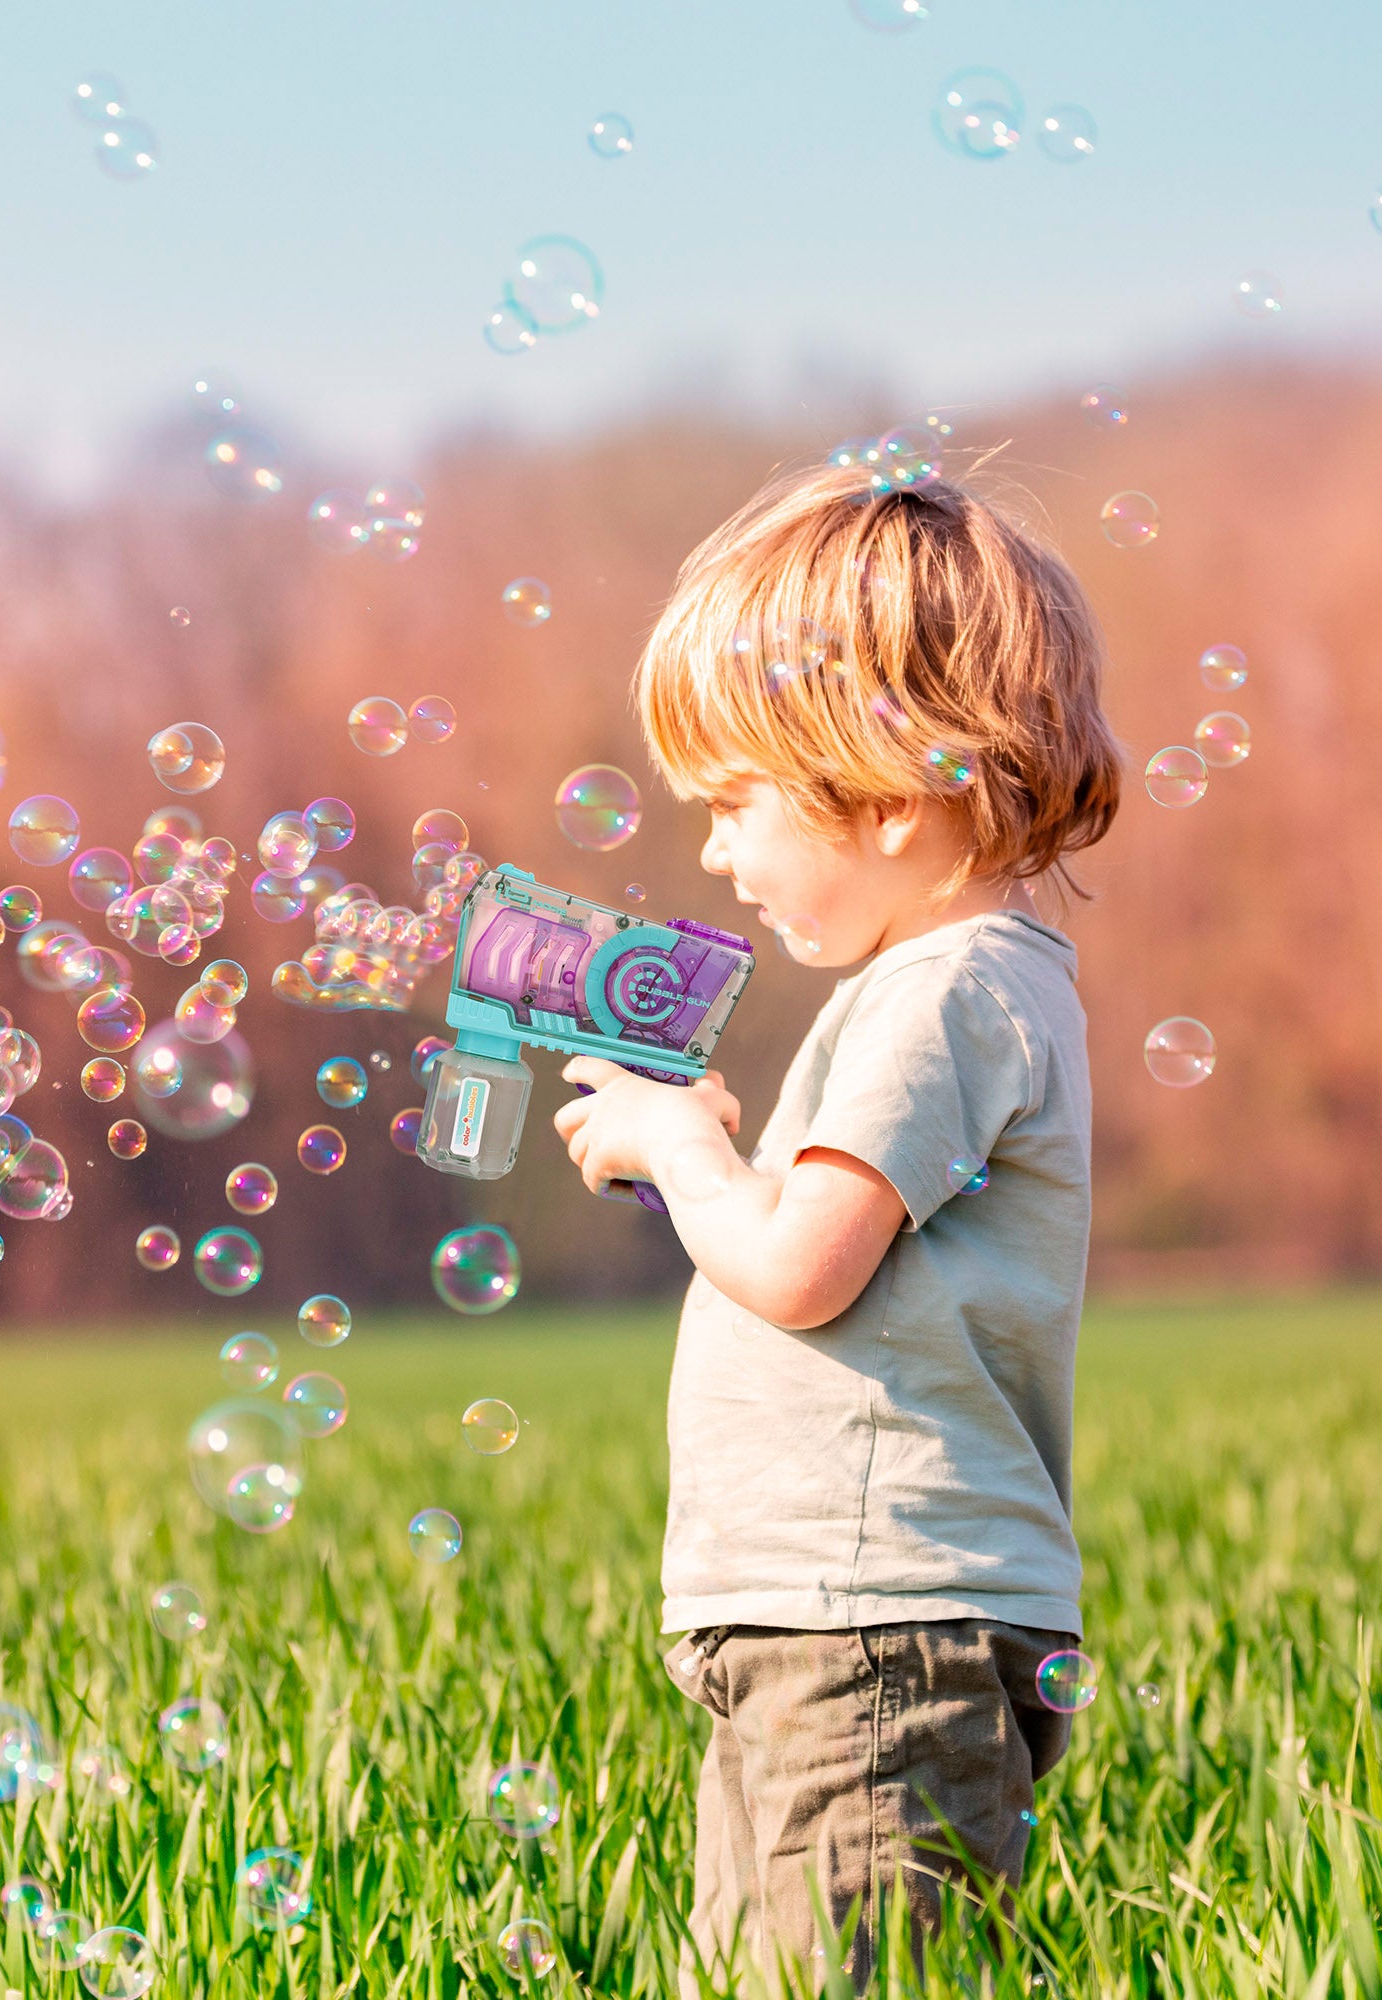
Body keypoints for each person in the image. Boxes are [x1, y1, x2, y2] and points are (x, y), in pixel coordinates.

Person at [552, 459, 1121, 1988]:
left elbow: (800, 1268)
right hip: (845, 1620)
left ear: (879, 775)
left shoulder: (940, 995)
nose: (719, 854)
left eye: (734, 802)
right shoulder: (961, 987)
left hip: (872, 1626)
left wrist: (683, 1154)